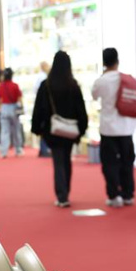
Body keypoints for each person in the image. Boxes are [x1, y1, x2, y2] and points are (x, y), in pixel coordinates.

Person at [32, 50, 88, 207]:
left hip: (53, 130)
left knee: (58, 161)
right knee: (67, 160)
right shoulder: (73, 85)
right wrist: (82, 128)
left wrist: (37, 128)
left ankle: (62, 195)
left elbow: (39, 109)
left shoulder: (47, 85)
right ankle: (66, 192)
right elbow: (81, 109)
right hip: (70, 130)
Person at [92, 48, 136, 207]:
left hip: (108, 128)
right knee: (127, 161)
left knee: (109, 163)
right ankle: (128, 194)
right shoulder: (127, 79)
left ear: (104, 62)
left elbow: (94, 95)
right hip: (126, 128)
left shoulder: (101, 80)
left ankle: (114, 195)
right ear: (117, 61)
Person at [0, 67, 24, 158]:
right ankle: (18, 150)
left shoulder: (1, 86)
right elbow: (19, 99)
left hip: (4, 108)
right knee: (16, 130)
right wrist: (21, 107)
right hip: (13, 108)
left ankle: (3, 152)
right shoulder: (15, 86)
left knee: (4, 131)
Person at [33, 61, 52, 157]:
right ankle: (45, 149)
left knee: (43, 129)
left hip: (43, 108)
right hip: (46, 109)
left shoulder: (42, 78)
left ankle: (44, 149)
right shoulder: (43, 78)